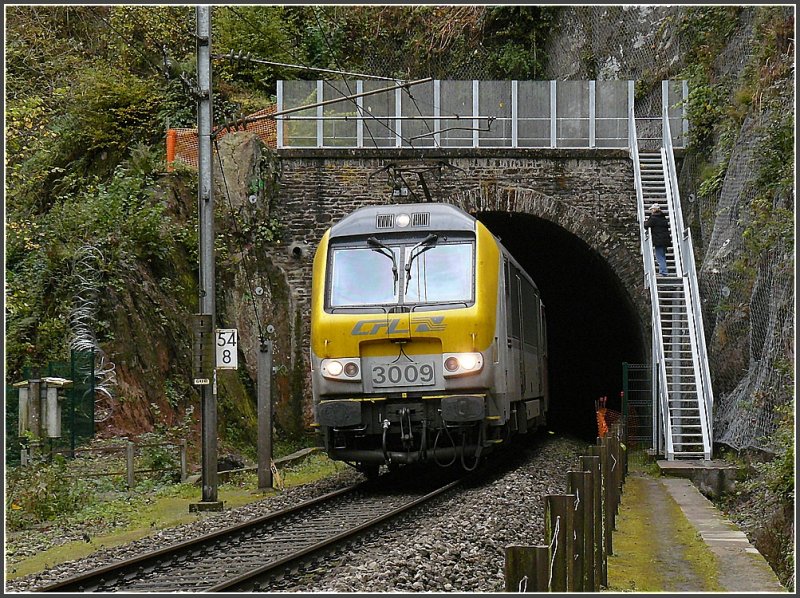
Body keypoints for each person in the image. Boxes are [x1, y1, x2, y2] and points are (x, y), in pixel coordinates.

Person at [644, 203, 671, 276]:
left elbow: (646, 225)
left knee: (659, 256)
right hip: (665, 240)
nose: (651, 211)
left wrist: (645, 221)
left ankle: (663, 271)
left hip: (658, 240)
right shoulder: (663, 217)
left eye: (652, 209)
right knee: (662, 255)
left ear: (654, 210)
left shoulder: (653, 218)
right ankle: (664, 270)